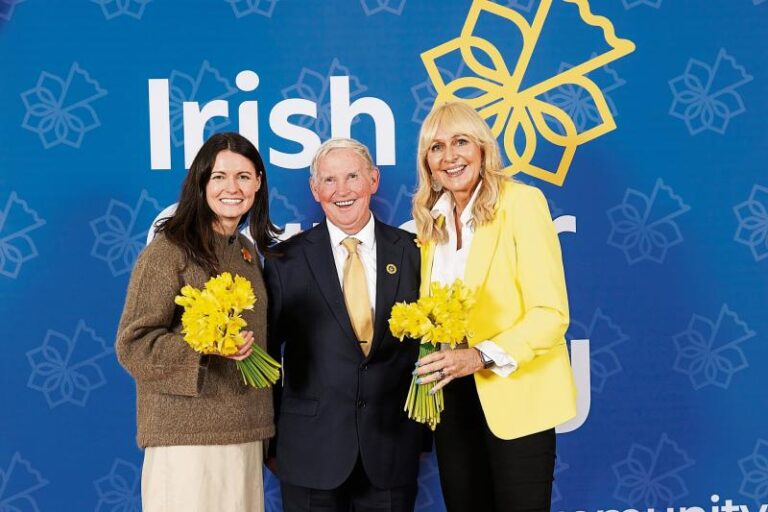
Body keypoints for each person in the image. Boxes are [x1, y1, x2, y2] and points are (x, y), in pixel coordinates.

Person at [412, 102, 577, 512]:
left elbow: (550, 315)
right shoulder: (430, 223)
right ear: (428, 164)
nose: (449, 157)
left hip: (515, 395)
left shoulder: (521, 203)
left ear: (483, 148)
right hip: (450, 402)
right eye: (436, 148)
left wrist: (479, 356)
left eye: (460, 142)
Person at [115, 132, 282, 512]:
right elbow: (133, 343)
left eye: (243, 176)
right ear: (201, 182)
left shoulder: (246, 252)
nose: (232, 188)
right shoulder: (168, 250)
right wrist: (205, 345)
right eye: (219, 176)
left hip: (245, 434)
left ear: (258, 182)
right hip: (186, 439)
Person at [264, 138, 424, 512]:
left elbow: (429, 348)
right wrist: (270, 445)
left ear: (373, 179)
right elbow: (267, 359)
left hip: (391, 452)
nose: (342, 190)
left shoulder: (415, 252)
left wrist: (422, 438)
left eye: (352, 176)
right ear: (315, 189)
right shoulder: (284, 261)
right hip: (308, 455)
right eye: (329, 180)